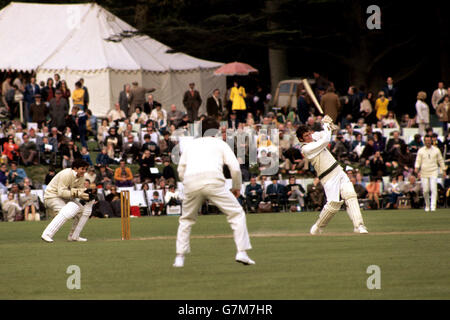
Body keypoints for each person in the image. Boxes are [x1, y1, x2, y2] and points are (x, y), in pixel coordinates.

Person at [173, 117, 254, 267]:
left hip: (191, 182)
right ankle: (241, 252)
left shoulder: (191, 145)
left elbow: (180, 169)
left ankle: (179, 257)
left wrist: (188, 182)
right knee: (236, 213)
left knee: (186, 219)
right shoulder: (220, 143)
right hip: (213, 180)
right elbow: (235, 168)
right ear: (215, 131)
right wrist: (236, 187)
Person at [296, 116, 368, 234]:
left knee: (350, 196)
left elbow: (323, 133)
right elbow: (325, 140)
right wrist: (326, 126)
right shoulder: (306, 148)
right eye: (306, 136)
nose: (309, 137)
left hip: (338, 170)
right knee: (333, 205)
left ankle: (359, 226)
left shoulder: (312, 138)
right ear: (301, 139)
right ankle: (317, 227)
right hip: (328, 177)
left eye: (309, 134)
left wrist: (329, 125)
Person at [41, 159, 95, 242]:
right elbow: (61, 192)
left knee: (82, 211)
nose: (84, 171)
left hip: (66, 198)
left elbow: (79, 191)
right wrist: (78, 193)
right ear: (75, 168)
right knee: (69, 209)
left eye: (85, 169)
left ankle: (74, 236)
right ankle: (47, 234)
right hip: (52, 196)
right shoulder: (66, 174)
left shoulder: (82, 177)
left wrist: (87, 195)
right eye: (82, 169)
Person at [414, 135, 446, 211]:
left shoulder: (436, 150)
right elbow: (418, 160)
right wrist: (416, 168)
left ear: (431, 141)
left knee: (433, 188)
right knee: (425, 190)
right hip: (424, 172)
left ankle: (433, 206)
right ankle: (427, 205)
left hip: (434, 171)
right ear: (424, 141)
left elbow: (440, 160)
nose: (428, 142)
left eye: (429, 141)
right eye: (426, 141)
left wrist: (444, 170)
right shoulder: (421, 150)